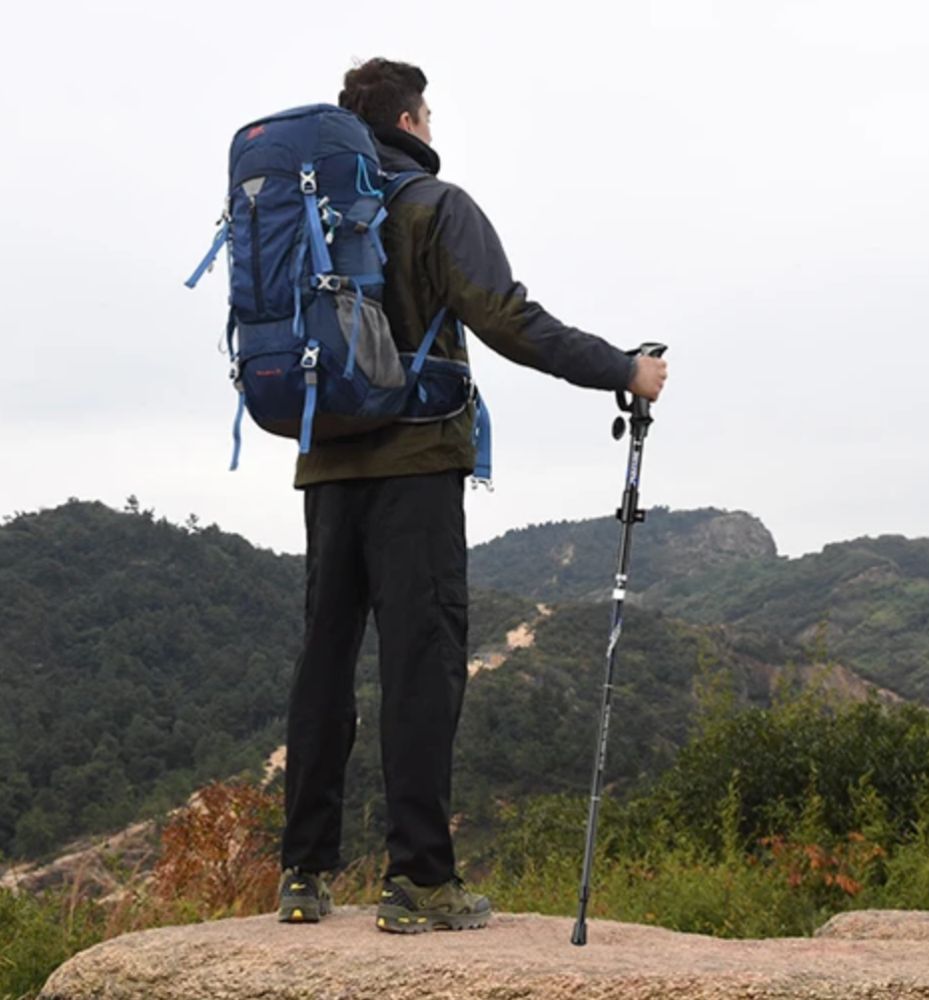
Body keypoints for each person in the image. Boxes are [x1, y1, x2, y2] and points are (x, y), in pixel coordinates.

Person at [277, 58, 668, 933]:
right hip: (415, 464)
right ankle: (419, 881)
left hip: (328, 464)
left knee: (326, 662)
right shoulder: (434, 205)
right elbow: (510, 321)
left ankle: (303, 874)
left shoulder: (317, 207)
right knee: (420, 664)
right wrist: (624, 370)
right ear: (413, 122)